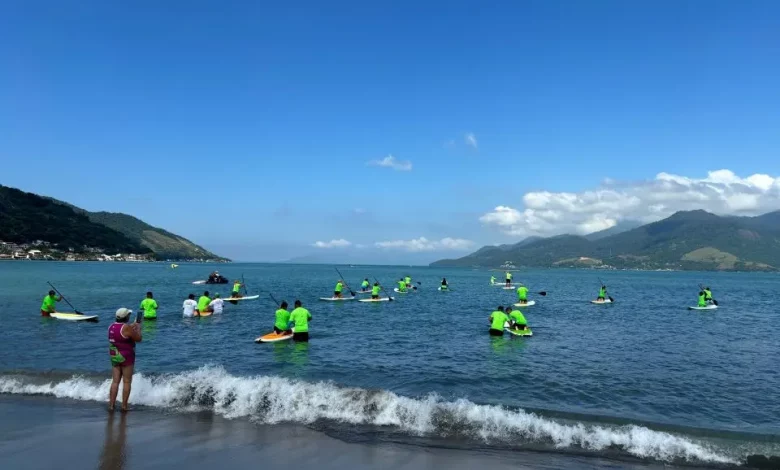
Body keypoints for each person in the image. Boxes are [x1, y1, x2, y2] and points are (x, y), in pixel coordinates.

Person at [108, 308, 142, 412]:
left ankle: (111, 405)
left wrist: (132, 325)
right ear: (126, 317)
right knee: (127, 382)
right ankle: (124, 406)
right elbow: (139, 339)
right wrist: (138, 328)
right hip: (126, 356)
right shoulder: (126, 328)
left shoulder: (111, 326)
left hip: (115, 355)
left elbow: (122, 331)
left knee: (115, 382)